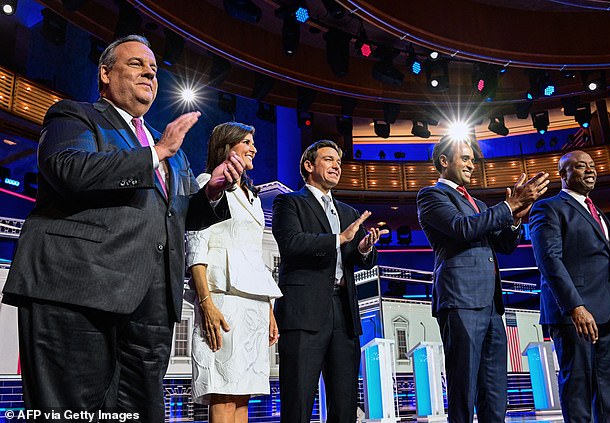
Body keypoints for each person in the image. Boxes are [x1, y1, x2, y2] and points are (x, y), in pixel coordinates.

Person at [1, 35, 245, 420]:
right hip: (77, 292)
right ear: (104, 73)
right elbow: (68, 170)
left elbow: (177, 215)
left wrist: (212, 191)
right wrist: (155, 154)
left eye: (153, 68)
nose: (149, 71)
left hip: (150, 307)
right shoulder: (74, 116)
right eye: (136, 64)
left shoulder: (171, 151)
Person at [416, 135, 549, 423]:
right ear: (443, 161)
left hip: (490, 305)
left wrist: (515, 219)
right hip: (460, 300)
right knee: (463, 389)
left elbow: (503, 245)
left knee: (494, 390)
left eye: (472, 160)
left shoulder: (476, 202)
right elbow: (461, 228)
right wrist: (508, 206)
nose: (471, 165)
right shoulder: (431, 195)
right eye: (465, 158)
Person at [272, 140, 386, 423]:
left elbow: (360, 260)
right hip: (304, 312)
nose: (337, 165)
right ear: (309, 166)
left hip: (344, 311)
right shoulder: (289, 202)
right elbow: (291, 244)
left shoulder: (348, 213)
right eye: (329, 159)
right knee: (298, 401)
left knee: (345, 403)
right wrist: (340, 239)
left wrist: (364, 248)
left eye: (339, 161)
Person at [185, 122, 282, 422]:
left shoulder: (252, 196)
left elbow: (254, 256)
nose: (254, 148)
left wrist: (269, 311)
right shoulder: (208, 182)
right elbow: (196, 245)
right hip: (222, 300)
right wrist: (206, 304)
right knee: (224, 394)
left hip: (253, 306)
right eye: (247, 142)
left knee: (243, 396)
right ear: (227, 147)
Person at [529, 150, 610, 422]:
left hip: (607, 318)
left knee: (609, 395)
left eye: (592, 165)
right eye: (580, 166)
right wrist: (576, 307)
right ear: (563, 174)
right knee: (578, 394)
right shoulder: (548, 208)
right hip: (575, 319)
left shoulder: (599, 213)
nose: (590, 170)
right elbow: (549, 260)